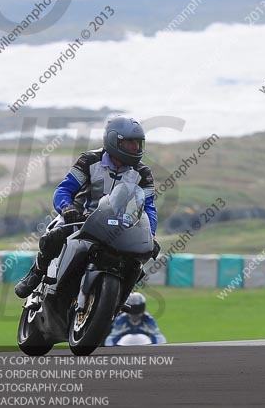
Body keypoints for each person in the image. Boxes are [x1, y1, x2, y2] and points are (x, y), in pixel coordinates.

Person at [15, 116, 160, 298]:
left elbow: (149, 208)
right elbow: (64, 189)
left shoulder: (143, 173)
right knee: (53, 238)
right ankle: (36, 273)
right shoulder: (89, 160)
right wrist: (67, 209)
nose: (135, 148)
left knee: (137, 262)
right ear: (114, 141)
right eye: (130, 143)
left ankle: (118, 301)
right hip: (81, 218)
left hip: (120, 227)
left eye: (139, 144)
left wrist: (150, 234)